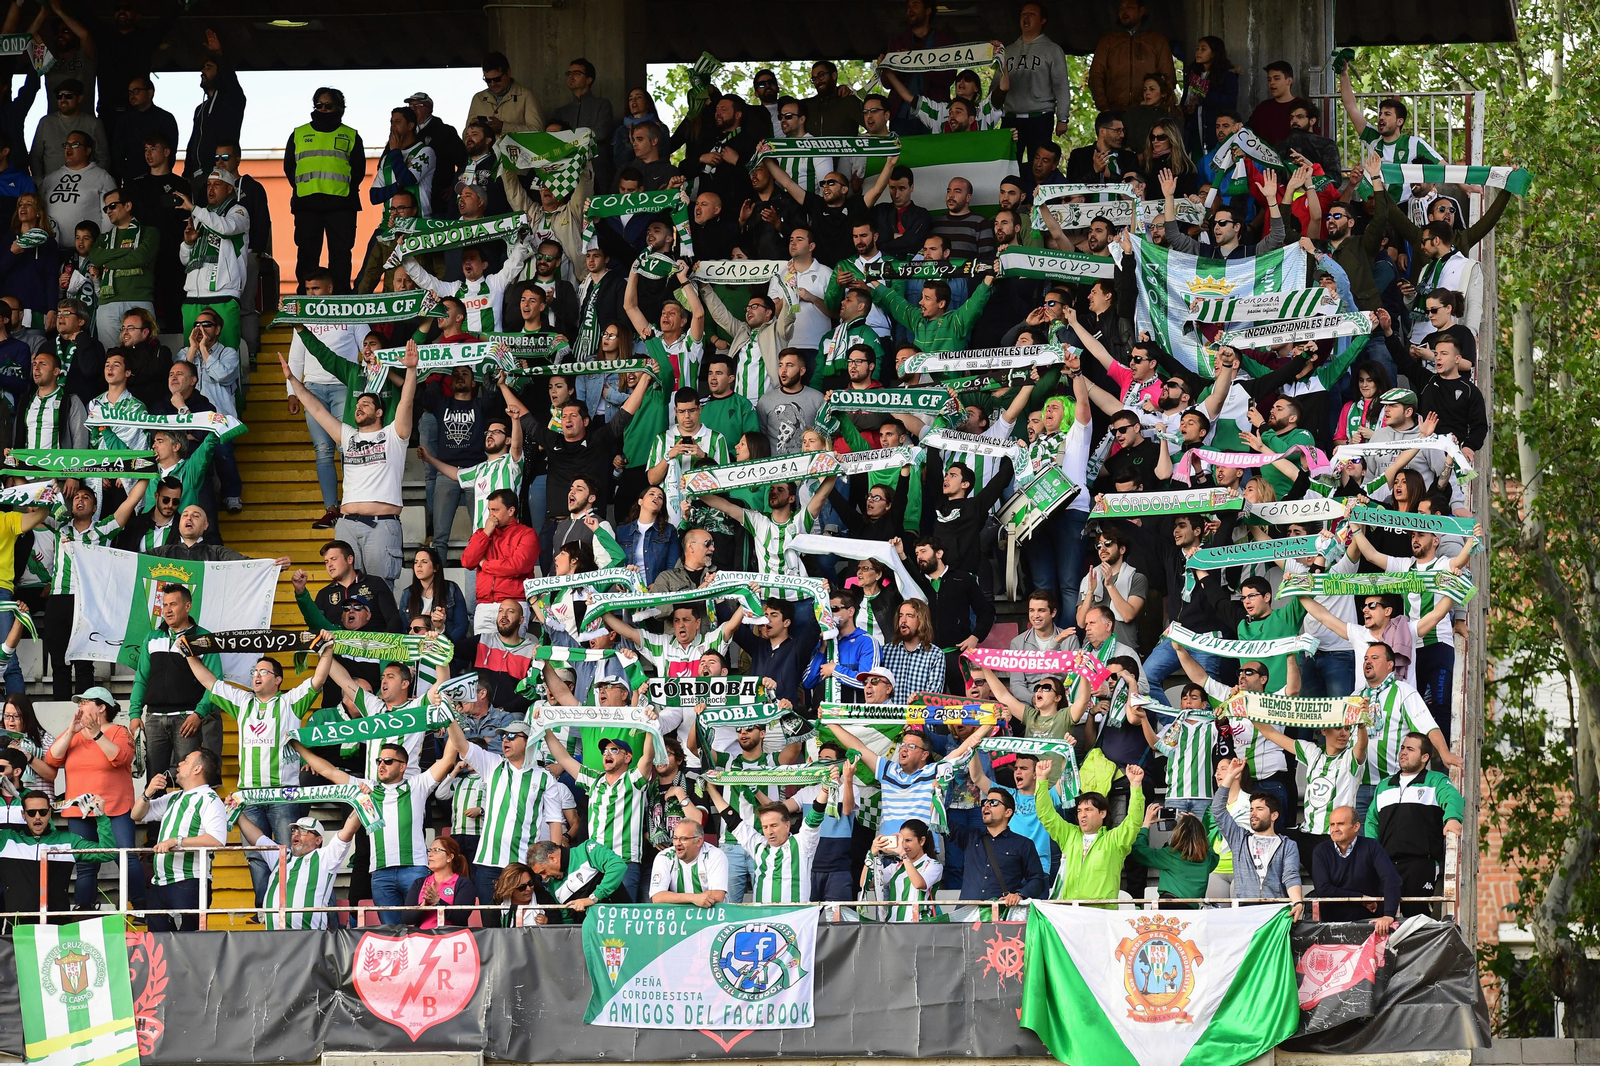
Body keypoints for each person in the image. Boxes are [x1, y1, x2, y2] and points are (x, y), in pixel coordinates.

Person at [279, 341, 417, 588]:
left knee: (380, 591)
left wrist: (411, 371)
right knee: (346, 593)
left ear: (379, 413)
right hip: (346, 525)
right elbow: (317, 409)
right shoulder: (348, 435)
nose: (358, 407)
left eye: (366, 404)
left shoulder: (394, 435)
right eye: (357, 404)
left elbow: (406, 402)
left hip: (381, 525)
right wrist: (292, 380)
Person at [296, 728, 460, 926]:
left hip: (414, 870)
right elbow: (328, 771)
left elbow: (448, 759)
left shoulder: (418, 785)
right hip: (380, 873)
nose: (381, 765)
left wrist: (450, 720)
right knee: (392, 934)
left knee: (420, 931)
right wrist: (297, 745)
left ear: (403, 767)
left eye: (388, 761)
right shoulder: (367, 788)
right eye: (379, 761)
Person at [440, 714, 566, 905]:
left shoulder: (545, 777)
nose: (506, 739)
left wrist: (553, 862)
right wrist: (448, 715)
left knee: (521, 925)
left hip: (524, 866)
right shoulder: (493, 764)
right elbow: (460, 743)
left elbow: (555, 821)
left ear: (529, 740)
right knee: (490, 926)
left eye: (513, 736)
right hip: (489, 864)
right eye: (504, 736)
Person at [43, 686, 145, 910]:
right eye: (79, 702)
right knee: (85, 862)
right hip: (79, 809)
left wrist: (97, 734)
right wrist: (71, 731)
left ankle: (141, 906)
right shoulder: (75, 733)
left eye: (85, 701)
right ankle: (83, 908)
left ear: (101, 707)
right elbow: (52, 758)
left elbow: (120, 758)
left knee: (125, 856)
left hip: (114, 807)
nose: (80, 705)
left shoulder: (119, 731)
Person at [540, 727, 655, 903]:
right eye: (605, 751)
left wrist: (649, 727)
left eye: (614, 750)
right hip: (594, 864)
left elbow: (648, 757)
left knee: (622, 918)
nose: (607, 754)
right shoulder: (594, 780)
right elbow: (563, 758)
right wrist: (545, 729)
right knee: (596, 917)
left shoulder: (634, 779)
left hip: (624, 862)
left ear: (628, 758)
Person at [127, 583, 223, 781]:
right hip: (153, 719)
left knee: (188, 779)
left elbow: (215, 682)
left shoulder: (203, 638)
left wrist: (199, 714)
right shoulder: (152, 637)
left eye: (173, 604)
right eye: (164, 605)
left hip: (186, 719)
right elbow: (141, 679)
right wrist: (135, 714)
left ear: (187, 606)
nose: (168, 610)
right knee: (154, 781)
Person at [1365, 732, 1463, 917]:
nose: (1403, 752)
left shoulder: (1436, 781)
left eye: (1410, 749)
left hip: (1420, 865)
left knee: (1416, 920)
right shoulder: (1384, 785)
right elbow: (1371, 822)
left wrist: (1452, 818)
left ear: (1425, 757)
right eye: (1403, 748)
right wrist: (1372, 853)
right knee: (1382, 920)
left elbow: (1453, 798)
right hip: (1386, 865)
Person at [130, 748, 226, 932]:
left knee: (187, 946)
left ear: (197, 769)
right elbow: (136, 815)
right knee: (159, 945)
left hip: (189, 882)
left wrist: (177, 841)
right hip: (159, 883)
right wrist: (148, 792)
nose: (179, 763)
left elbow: (216, 840)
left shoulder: (209, 798)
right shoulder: (175, 797)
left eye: (186, 760)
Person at [285, 87, 365, 293]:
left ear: (339, 107)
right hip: (307, 204)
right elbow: (289, 168)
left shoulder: (351, 135)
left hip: (341, 205)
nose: (323, 109)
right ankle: (306, 296)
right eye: (318, 105)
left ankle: (339, 296)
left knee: (340, 255)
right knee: (307, 255)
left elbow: (358, 171)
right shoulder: (298, 134)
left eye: (328, 105)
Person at [234, 807, 363, 930]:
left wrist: (362, 802)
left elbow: (348, 831)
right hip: (274, 939)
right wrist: (237, 812)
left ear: (318, 840)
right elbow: (257, 838)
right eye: (294, 830)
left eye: (303, 831)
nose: (296, 834)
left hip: (309, 939)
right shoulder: (281, 856)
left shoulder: (325, 857)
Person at [706, 778, 827, 903]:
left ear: (787, 825)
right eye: (765, 827)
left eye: (774, 825)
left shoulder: (802, 843)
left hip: (794, 918)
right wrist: (710, 789)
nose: (769, 831)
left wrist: (825, 789)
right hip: (763, 919)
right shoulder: (758, 845)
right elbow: (731, 818)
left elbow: (815, 816)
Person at [1210, 757, 1304, 913]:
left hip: (1274, 913)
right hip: (1244, 914)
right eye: (1252, 809)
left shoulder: (1288, 845)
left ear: (1274, 815)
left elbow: (1291, 876)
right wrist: (1230, 776)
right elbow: (1218, 810)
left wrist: (1297, 902)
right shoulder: (1239, 839)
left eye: (1260, 809)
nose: (1253, 814)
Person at [954, 787, 1046, 919]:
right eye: (985, 802)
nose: (986, 805)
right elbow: (940, 822)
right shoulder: (970, 837)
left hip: (1000, 919)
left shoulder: (1023, 844)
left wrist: (1019, 894)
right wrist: (938, 792)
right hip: (965, 917)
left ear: (1008, 812)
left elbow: (1038, 880)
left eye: (993, 803)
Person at [1311, 805, 1401, 929]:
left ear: (1356, 827)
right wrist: (1360, 898)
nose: (1335, 829)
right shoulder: (1321, 850)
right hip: (1332, 926)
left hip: (1370, 923)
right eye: (1332, 824)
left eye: (1340, 824)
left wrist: (1388, 915)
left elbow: (1391, 879)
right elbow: (1323, 889)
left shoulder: (1371, 846)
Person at [85, 187, 156, 341]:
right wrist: (129, 250)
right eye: (106, 208)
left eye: (112, 206)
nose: (108, 211)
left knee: (143, 354)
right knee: (112, 357)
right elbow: (96, 258)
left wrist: (108, 262)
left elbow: (139, 258)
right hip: (107, 302)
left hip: (139, 299)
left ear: (128, 206)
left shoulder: (149, 232)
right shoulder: (103, 238)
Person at [1089, 0, 1176, 113]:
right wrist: (1104, 108)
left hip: (1149, 113)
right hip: (1115, 112)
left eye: (1129, 7)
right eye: (1121, 8)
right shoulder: (1108, 40)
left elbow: (1168, 77)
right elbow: (1096, 75)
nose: (1124, 11)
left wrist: (1158, 107)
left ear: (1141, 11)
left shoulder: (1156, 40)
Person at [525, 836, 626, 924]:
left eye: (543, 871)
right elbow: (567, 919)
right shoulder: (552, 885)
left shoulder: (586, 850)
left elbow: (617, 866)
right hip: (589, 937)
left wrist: (593, 898)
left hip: (620, 923)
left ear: (552, 858)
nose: (543, 877)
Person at [1130, 808, 1218, 906]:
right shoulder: (1208, 859)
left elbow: (1138, 851)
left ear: (1178, 834)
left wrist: (1146, 824)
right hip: (1192, 913)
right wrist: (1197, 826)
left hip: (1168, 906)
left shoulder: (1170, 855)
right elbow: (1212, 851)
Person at [402, 836, 481, 928]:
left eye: (436, 850)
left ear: (450, 857)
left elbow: (460, 917)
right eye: (430, 850)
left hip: (451, 938)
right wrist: (423, 906)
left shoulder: (463, 883)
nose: (430, 854)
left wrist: (438, 902)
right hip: (421, 938)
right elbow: (406, 918)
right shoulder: (419, 883)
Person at [110, 75, 178, 181]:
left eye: (136, 91)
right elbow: (118, 153)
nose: (132, 95)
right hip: (132, 179)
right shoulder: (124, 120)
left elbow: (170, 151)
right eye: (130, 92)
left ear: (150, 93)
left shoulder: (165, 118)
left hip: (159, 178)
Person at [649, 818, 728, 907]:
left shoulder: (715, 855)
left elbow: (718, 895)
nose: (677, 843)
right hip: (678, 917)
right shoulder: (664, 857)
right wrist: (693, 898)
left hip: (710, 916)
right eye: (675, 838)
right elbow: (657, 897)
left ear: (699, 841)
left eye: (684, 839)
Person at [468, 52, 545, 136]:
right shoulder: (478, 98)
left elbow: (538, 131)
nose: (493, 84)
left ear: (508, 72)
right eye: (488, 80)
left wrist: (503, 127)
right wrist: (473, 127)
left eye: (497, 79)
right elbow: (465, 135)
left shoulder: (526, 96)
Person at [1247, 60, 1298, 146]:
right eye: (1269, 79)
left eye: (1277, 78)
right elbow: (1248, 133)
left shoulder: (1302, 107)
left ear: (1289, 81)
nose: (1272, 83)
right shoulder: (1263, 108)